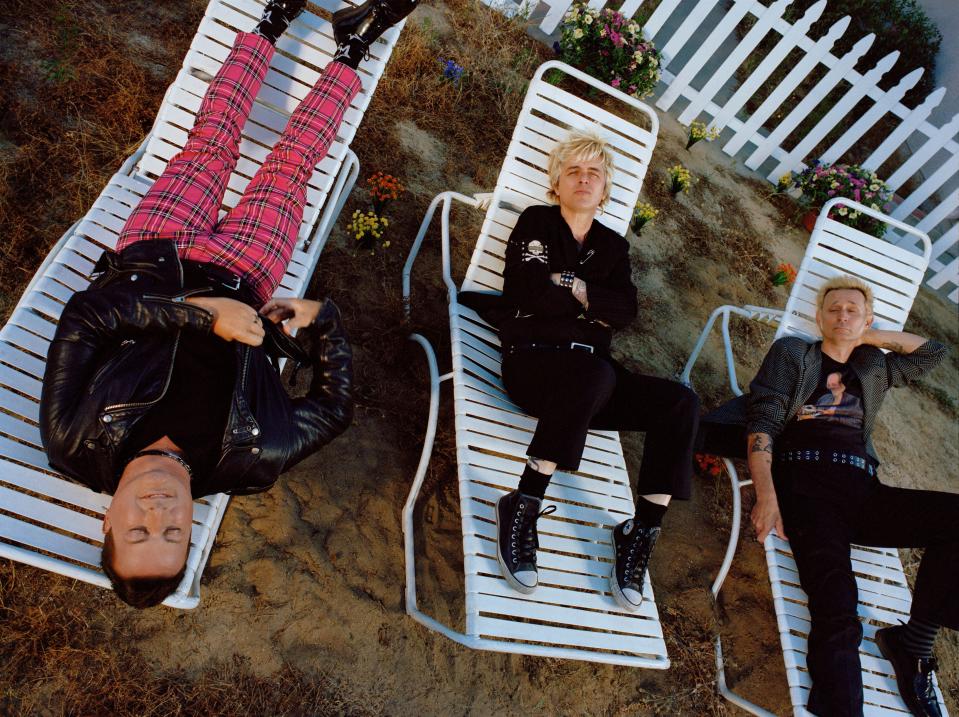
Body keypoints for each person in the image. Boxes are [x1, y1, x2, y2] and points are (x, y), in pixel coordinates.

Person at [39, 0, 417, 609]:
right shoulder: (252, 460)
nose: (161, 514)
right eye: (175, 533)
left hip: (156, 254)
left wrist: (203, 315)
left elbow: (88, 314)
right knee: (292, 168)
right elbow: (334, 408)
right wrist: (323, 324)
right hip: (251, 270)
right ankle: (353, 48)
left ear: (105, 523)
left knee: (212, 141)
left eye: (139, 531)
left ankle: (271, 23)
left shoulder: (70, 436)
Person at [474, 129, 700, 612]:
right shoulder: (537, 222)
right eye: (573, 171)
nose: (583, 179)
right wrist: (588, 303)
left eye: (593, 173)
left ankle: (640, 531)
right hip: (534, 365)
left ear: (605, 188)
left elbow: (624, 312)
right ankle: (524, 502)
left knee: (680, 402)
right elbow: (528, 291)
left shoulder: (613, 248)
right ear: (556, 182)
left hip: (591, 378)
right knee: (593, 372)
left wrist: (570, 286)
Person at [735, 275, 955, 716]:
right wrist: (767, 495)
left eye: (853, 309)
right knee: (837, 603)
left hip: (863, 490)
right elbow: (763, 422)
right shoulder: (793, 353)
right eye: (833, 309)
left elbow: (934, 352)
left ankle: (910, 645)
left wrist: (864, 335)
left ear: (869, 319)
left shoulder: (873, 363)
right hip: (806, 486)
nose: (842, 315)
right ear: (818, 317)